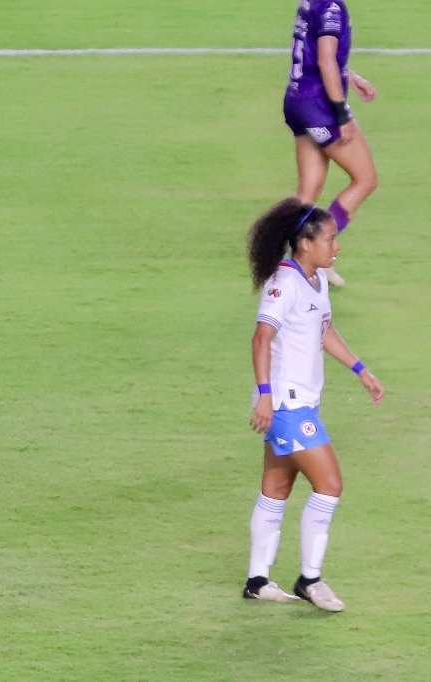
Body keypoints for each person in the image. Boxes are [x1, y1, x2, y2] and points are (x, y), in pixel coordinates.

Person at [242, 198, 384, 611]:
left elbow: (324, 331)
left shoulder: (317, 280)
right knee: (330, 484)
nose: (335, 247)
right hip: (286, 405)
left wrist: (361, 369)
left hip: (301, 402)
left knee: (277, 487)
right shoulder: (283, 284)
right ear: (304, 244)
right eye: (330, 239)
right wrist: (266, 396)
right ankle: (310, 579)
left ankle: (257, 581)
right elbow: (260, 338)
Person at [283, 0, 378, 287]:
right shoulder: (332, 8)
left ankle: (290, 265)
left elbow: (314, 54)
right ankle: (314, 254)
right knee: (365, 180)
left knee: (308, 189)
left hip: (297, 102)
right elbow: (325, 59)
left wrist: (352, 76)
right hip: (320, 108)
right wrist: (341, 114)